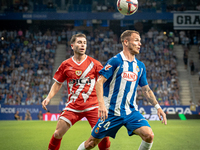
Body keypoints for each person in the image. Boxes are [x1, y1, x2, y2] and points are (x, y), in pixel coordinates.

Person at [77, 30, 167, 150]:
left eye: (140, 41)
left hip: (131, 112)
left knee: (149, 135)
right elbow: (99, 82)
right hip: (111, 112)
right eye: (136, 40)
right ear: (126, 42)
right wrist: (101, 105)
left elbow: (146, 90)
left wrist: (158, 107)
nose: (140, 43)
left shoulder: (140, 66)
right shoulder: (115, 61)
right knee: (91, 144)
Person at [42, 33, 110, 150]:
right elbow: (58, 83)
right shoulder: (65, 64)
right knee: (57, 133)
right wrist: (48, 98)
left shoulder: (94, 63)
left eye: (84, 43)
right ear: (72, 46)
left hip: (93, 106)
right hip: (73, 107)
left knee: (103, 135)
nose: (82, 45)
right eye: (79, 42)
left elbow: (105, 80)